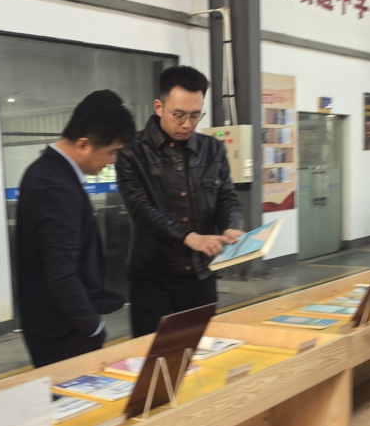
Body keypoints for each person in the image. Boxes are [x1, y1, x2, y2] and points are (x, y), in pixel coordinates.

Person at [117, 65, 243, 338]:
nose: (187, 124)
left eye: (195, 115)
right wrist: (189, 237)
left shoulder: (213, 150)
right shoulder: (131, 152)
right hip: (152, 278)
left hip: (199, 276)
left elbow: (227, 197)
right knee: (153, 354)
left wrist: (231, 226)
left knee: (201, 350)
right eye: (179, 115)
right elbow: (141, 210)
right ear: (159, 107)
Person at [15, 90, 134, 367]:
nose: (113, 161)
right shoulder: (55, 186)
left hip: (54, 324)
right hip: (63, 332)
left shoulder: (44, 171)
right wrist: (92, 327)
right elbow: (61, 273)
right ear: (83, 145)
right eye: (111, 152)